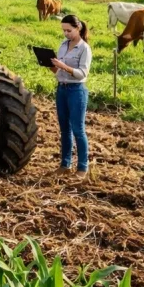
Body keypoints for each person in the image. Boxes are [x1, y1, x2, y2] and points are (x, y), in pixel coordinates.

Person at [51, 14, 92, 177]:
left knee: (78, 129)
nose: (66, 34)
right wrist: (51, 65)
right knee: (64, 130)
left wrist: (64, 66)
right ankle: (64, 165)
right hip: (61, 89)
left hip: (76, 91)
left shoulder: (84, 49)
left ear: (78, 28)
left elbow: (82, 73)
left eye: (69, 30)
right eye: (63, 31)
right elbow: (57, 71)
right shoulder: (63, 44)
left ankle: (82, 167)